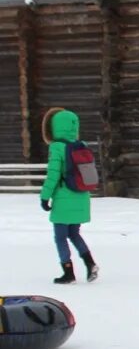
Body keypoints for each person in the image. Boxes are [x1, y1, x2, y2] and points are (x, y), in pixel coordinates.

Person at [39, 107, 98, 284]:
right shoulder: (82, 146)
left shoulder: (56, 147)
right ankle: (90, 263)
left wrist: (45, 196)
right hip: (81, 195)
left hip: (64, 198)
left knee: (60, 236)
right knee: (74, 234)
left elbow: (53, 175)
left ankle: (68, 272)